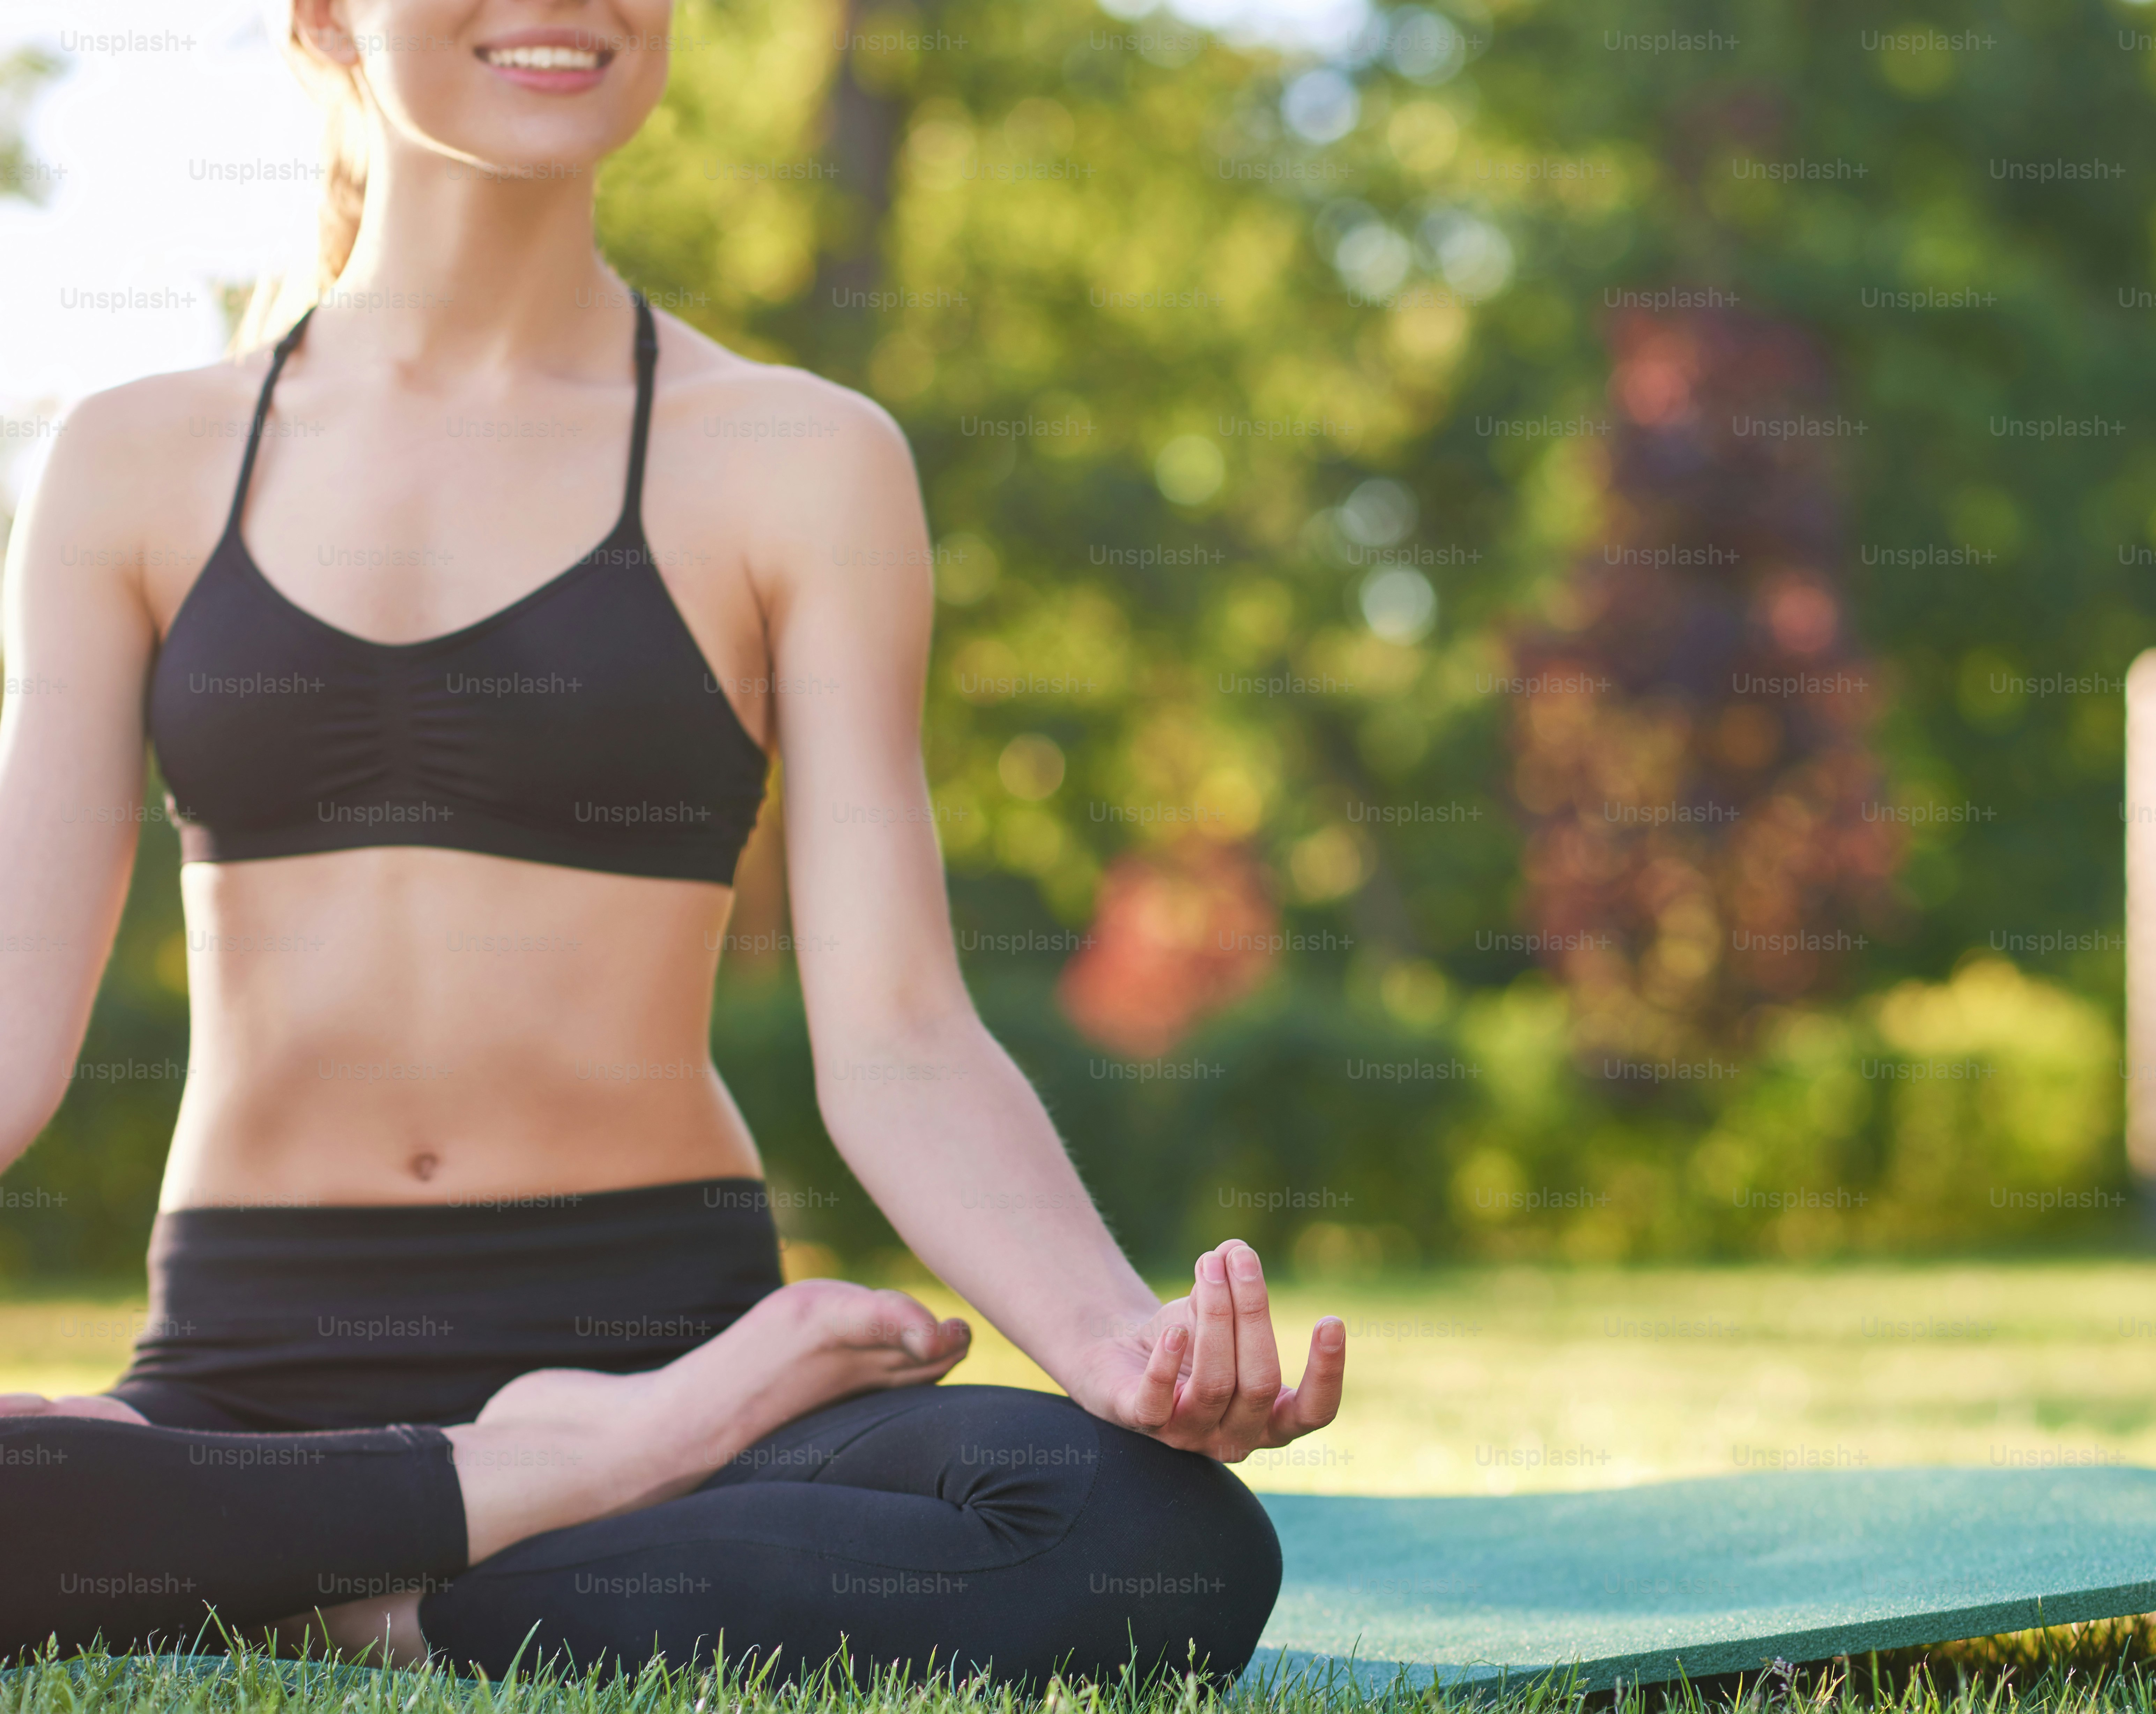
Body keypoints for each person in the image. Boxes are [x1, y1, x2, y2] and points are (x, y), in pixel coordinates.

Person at [0, 0, 1344, 1683]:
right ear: (328, 15)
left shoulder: (799, 458)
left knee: (1142, 1543)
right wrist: (555, 1466)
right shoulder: (134, 456)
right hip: (250, 1377)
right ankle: (525, 1485)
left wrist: (1113, 1340)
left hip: (678, 1358)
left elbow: (899, 1033)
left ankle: (355, 1583)